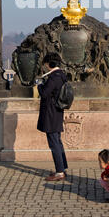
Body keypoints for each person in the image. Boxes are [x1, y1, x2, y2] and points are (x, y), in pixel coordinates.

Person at [35, 52, 68, 181]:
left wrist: (39, 85)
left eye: (46, 64)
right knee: (57, 142)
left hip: (51, 114)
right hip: (57, 112)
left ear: (49, 64)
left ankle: (60, 172)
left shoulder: (54, 77)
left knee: (54, 142)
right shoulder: (62, 75)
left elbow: (45, 93)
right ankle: (63, 168)